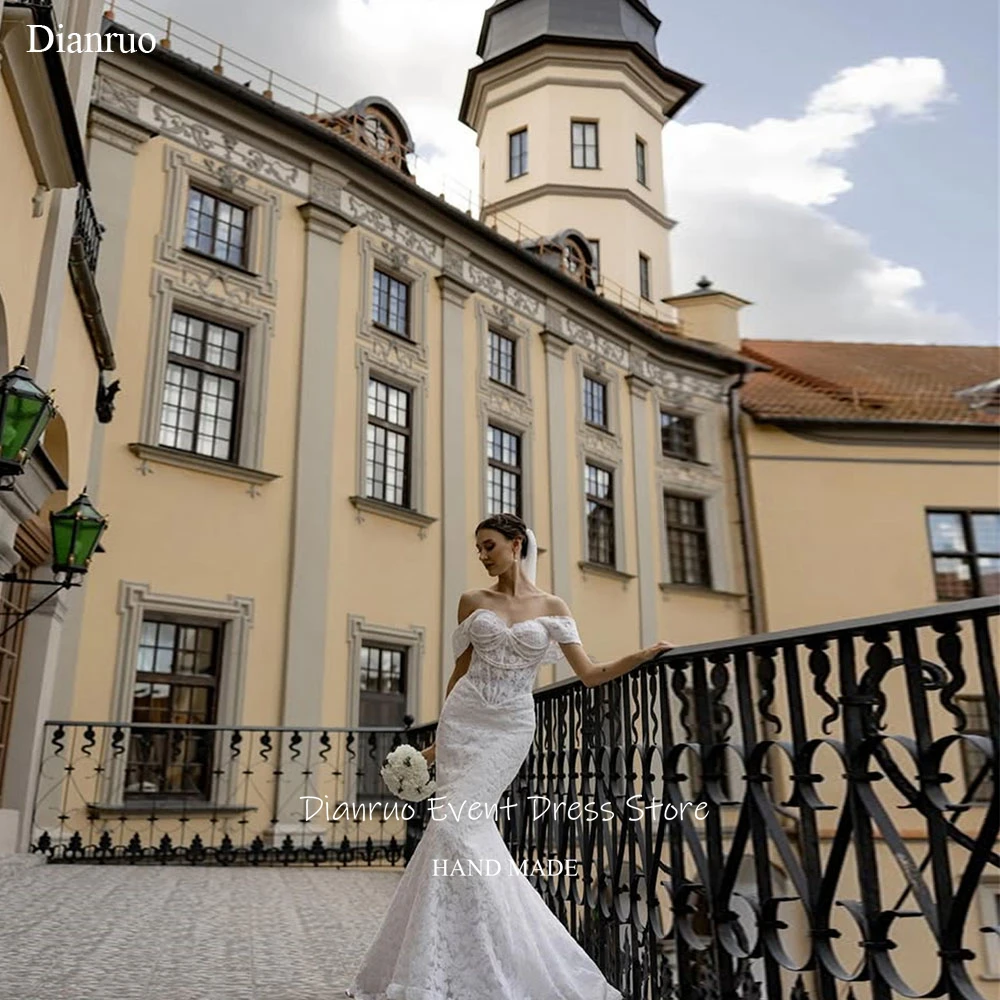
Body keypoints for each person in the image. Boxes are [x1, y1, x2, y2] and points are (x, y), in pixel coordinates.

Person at [346, 512, 675, 1000]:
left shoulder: (552, 606)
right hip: (465, 720)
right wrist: (437, 743)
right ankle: (442, 960)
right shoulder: (471, 602)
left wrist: (644, 655)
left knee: (457, 828)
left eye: (490, 546)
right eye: (478, 547)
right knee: (450, 829)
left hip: (509, 729)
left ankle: (489, 949)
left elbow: (589, 672)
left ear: (516, 545)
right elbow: (460, 673)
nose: (482, 556)